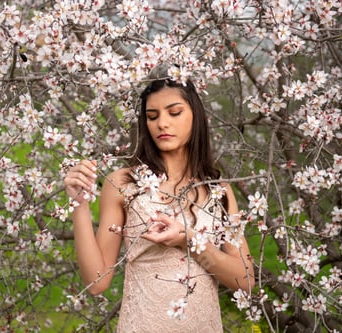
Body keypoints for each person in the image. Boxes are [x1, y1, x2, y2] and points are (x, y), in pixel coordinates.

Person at [64, 78, 255, 332]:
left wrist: (188, 241)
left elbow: (245, 280)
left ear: (195, 116)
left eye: (174, 112)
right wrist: (78, 204)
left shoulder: (218, 189)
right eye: (152, 117)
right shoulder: (124, 183)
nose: (162, 123)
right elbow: (97, 282)